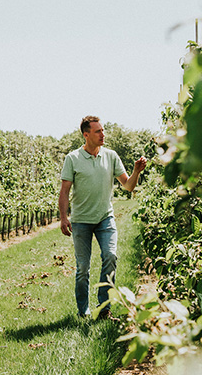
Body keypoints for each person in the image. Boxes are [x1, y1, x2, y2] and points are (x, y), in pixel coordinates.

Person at [58, 116, 146, 318]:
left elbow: (128, 186)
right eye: (98, 131)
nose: (103, 134)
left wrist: (136, 172)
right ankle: (83, 311)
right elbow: (64, 191)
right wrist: (63, 217)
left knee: (110, 256)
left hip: (105, 218)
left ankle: (104, 308)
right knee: (83, 268)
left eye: (103, 130)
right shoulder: (73, 158)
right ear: (86, 134)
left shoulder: (111, 156)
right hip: (81, 220)